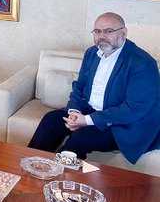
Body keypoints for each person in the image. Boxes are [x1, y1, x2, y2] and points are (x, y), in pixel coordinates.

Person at [28, 12, 160, 164]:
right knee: (51, 120)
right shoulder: (92, 53)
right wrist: (74, 112)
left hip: (123, 124)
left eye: (108, 31)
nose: (101, 36)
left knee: (81, 137)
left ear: (123, 33)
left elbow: (134, 109)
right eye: (97, 31)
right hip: (91, 113)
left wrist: (87, 120)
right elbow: (79, 87)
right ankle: (30, 166)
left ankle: (55, 173)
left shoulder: (142, 63)